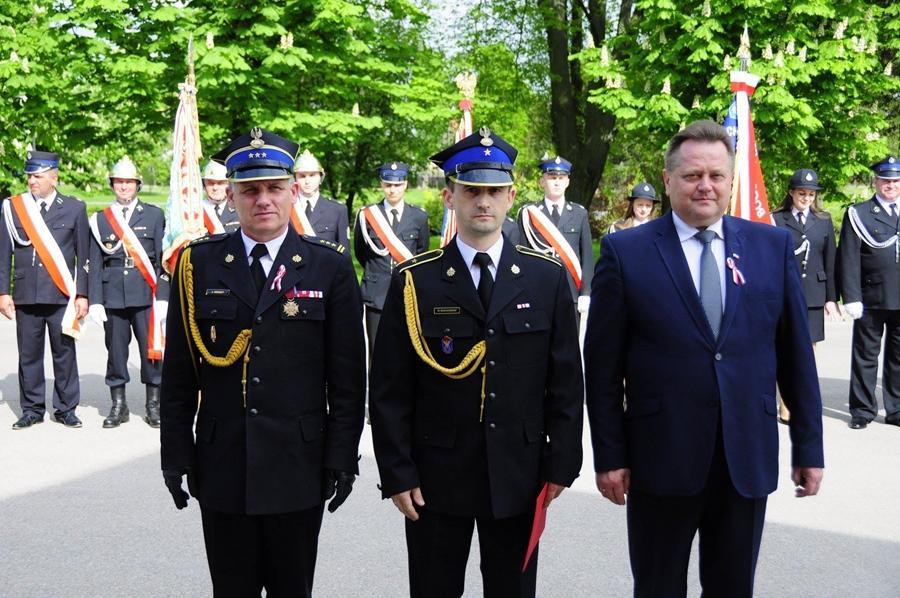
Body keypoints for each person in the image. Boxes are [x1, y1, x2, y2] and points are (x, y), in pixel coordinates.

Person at [584, 120, 824, 597]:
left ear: (731, 180)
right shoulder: (626, 252)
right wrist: (610, 455)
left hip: (745, 458)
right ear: (668, 179)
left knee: (732, 588)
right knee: (657, 588)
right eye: (692, 175)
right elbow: (603, 368)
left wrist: (809, 447)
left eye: (716, 175)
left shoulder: (770, 247)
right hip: (660, 458)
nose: (705, 186)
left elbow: (795, 355)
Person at [370, 127, 584, 598]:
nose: (482, 201)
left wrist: (562, 461)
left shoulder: (545, 277)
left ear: (511, 197)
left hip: (518, 471)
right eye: (470, 191)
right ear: (449, 197)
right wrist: (397, 471)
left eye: (493, 191)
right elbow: (389, 388)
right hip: (435, 474)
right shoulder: (415, 280)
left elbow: (566, 380)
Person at [160, 128, 366, 597]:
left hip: (299, 465)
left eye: (274, 187)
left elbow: (348, 378)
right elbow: (179, 373)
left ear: (293, 191)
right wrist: (175, 453)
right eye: (250, 190)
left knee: (293, 589)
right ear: (231, 195)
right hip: (223, 463)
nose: (264, 200)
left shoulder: (328, 267)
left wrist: (342, 456)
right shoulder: (197, 264)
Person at [0, 150, 89, 429]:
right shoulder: (14, 207)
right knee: (29, 355)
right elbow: (3, 254)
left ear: (54, 177)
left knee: (64, 354)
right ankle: (32, 409)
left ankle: (66, 409)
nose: (31, 181)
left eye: (37, 176)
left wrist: (83, 294)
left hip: (61, 294)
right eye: (29, 176)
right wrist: (3, 292)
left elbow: (84, 256)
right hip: (26, 293)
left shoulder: (74, 208)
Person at [87, 156, 168, 428]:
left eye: (129, 182)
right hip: (112, 296)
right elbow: (95, 263)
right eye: (119, 182)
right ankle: (118, 405)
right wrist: (95, 300)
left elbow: (162, 260)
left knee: (151, 351)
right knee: (116, 352)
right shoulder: (101, 219)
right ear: (112, 184)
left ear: (137, 185)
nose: (123, 186)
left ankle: (153, 406)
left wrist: (163, 297)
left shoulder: (154, 215)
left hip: (145, 294)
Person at [772, 168, 838, 423]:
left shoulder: (823, 220)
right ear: (791, 193)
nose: (807, 198)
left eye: (811, 194)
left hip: (813, 295)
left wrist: (831, 298)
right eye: (802, 193)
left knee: (807, 353)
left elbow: (830, 261)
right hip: (784, 292)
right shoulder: (776, 219)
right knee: (783, 348)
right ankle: (785, 405)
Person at [839, 156, 900, 429]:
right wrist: (851, 297)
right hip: (871, 297)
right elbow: (849, 257)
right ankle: (863, 410)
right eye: (886, 180)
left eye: (895, 181)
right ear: (876, 181)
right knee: (865, 356)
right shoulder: (859, 213)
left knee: (898, 358)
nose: (891, 185)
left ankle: (896, 409)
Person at [353, 161, 430, 353]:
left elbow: (421, 253)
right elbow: (361, 253)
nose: (392, 189)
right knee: (376, 350)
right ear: (381, 184)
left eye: (397, 184)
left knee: (406, 351)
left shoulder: (419, 217)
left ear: (405, 184)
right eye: (388, 184)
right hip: (376, 293)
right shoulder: (367, 215)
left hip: (407, 292)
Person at [517, 155, 593, 323]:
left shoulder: (579, 214)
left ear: (568, 182)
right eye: (552, 178)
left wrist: (586, 292)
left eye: (561, 178)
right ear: (542, 182)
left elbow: (587, 257)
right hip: (539, 291)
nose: (557, 182)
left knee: (571, 339)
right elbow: (521, 256)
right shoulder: (529, 214)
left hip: (572, 292)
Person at [291, 149, 350, 247]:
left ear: (321, 178)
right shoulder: (287, 207)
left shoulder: (337, 209)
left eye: (312, 175)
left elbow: (344, 250)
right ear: (295, 179)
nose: (307, 181)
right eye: (302, 176)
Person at [200, 160, 239, 234]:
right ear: (204, 185)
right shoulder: (197, 211)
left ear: (229, 185)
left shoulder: (240, 209)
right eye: (210, 183)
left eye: (220, 183)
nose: (215, 188)